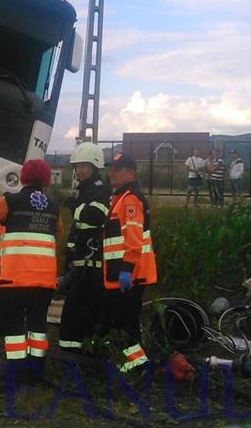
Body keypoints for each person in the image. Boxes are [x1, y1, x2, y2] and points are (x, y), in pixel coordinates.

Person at [0, 159, 62, 380]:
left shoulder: (9, 200)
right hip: (43, 280)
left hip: (14, 278)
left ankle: (16, 372)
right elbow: (58, 232)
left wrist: (2, 231)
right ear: (46, 180)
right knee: (38, 324)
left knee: (14, 324)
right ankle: (36, 371)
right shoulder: (54, 206)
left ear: (23, 177)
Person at [103, 154, 157, 373]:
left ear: (130, 173)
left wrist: (127, 269)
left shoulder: (130, 200)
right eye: (112, 169)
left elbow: (133, 237)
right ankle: (130, 361)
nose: (111, 173)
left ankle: (137, 364)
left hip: (130, 273)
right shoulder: (121, 198)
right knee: (122, 318)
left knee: (126, 320)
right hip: (123, 272)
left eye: (118, 169)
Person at [58, 143, 110, 352]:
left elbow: (96, 218)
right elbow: (78, 229)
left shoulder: (100, 190)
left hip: (92, 261)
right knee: (85, 308)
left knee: (75, 308)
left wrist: (75, 207)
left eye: (84, 166)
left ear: (95, 166)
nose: (79, 171)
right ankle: (86, 349)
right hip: (81, 259)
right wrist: (69, 252)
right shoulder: (85, 189)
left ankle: (70, 352)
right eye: (77, 166)